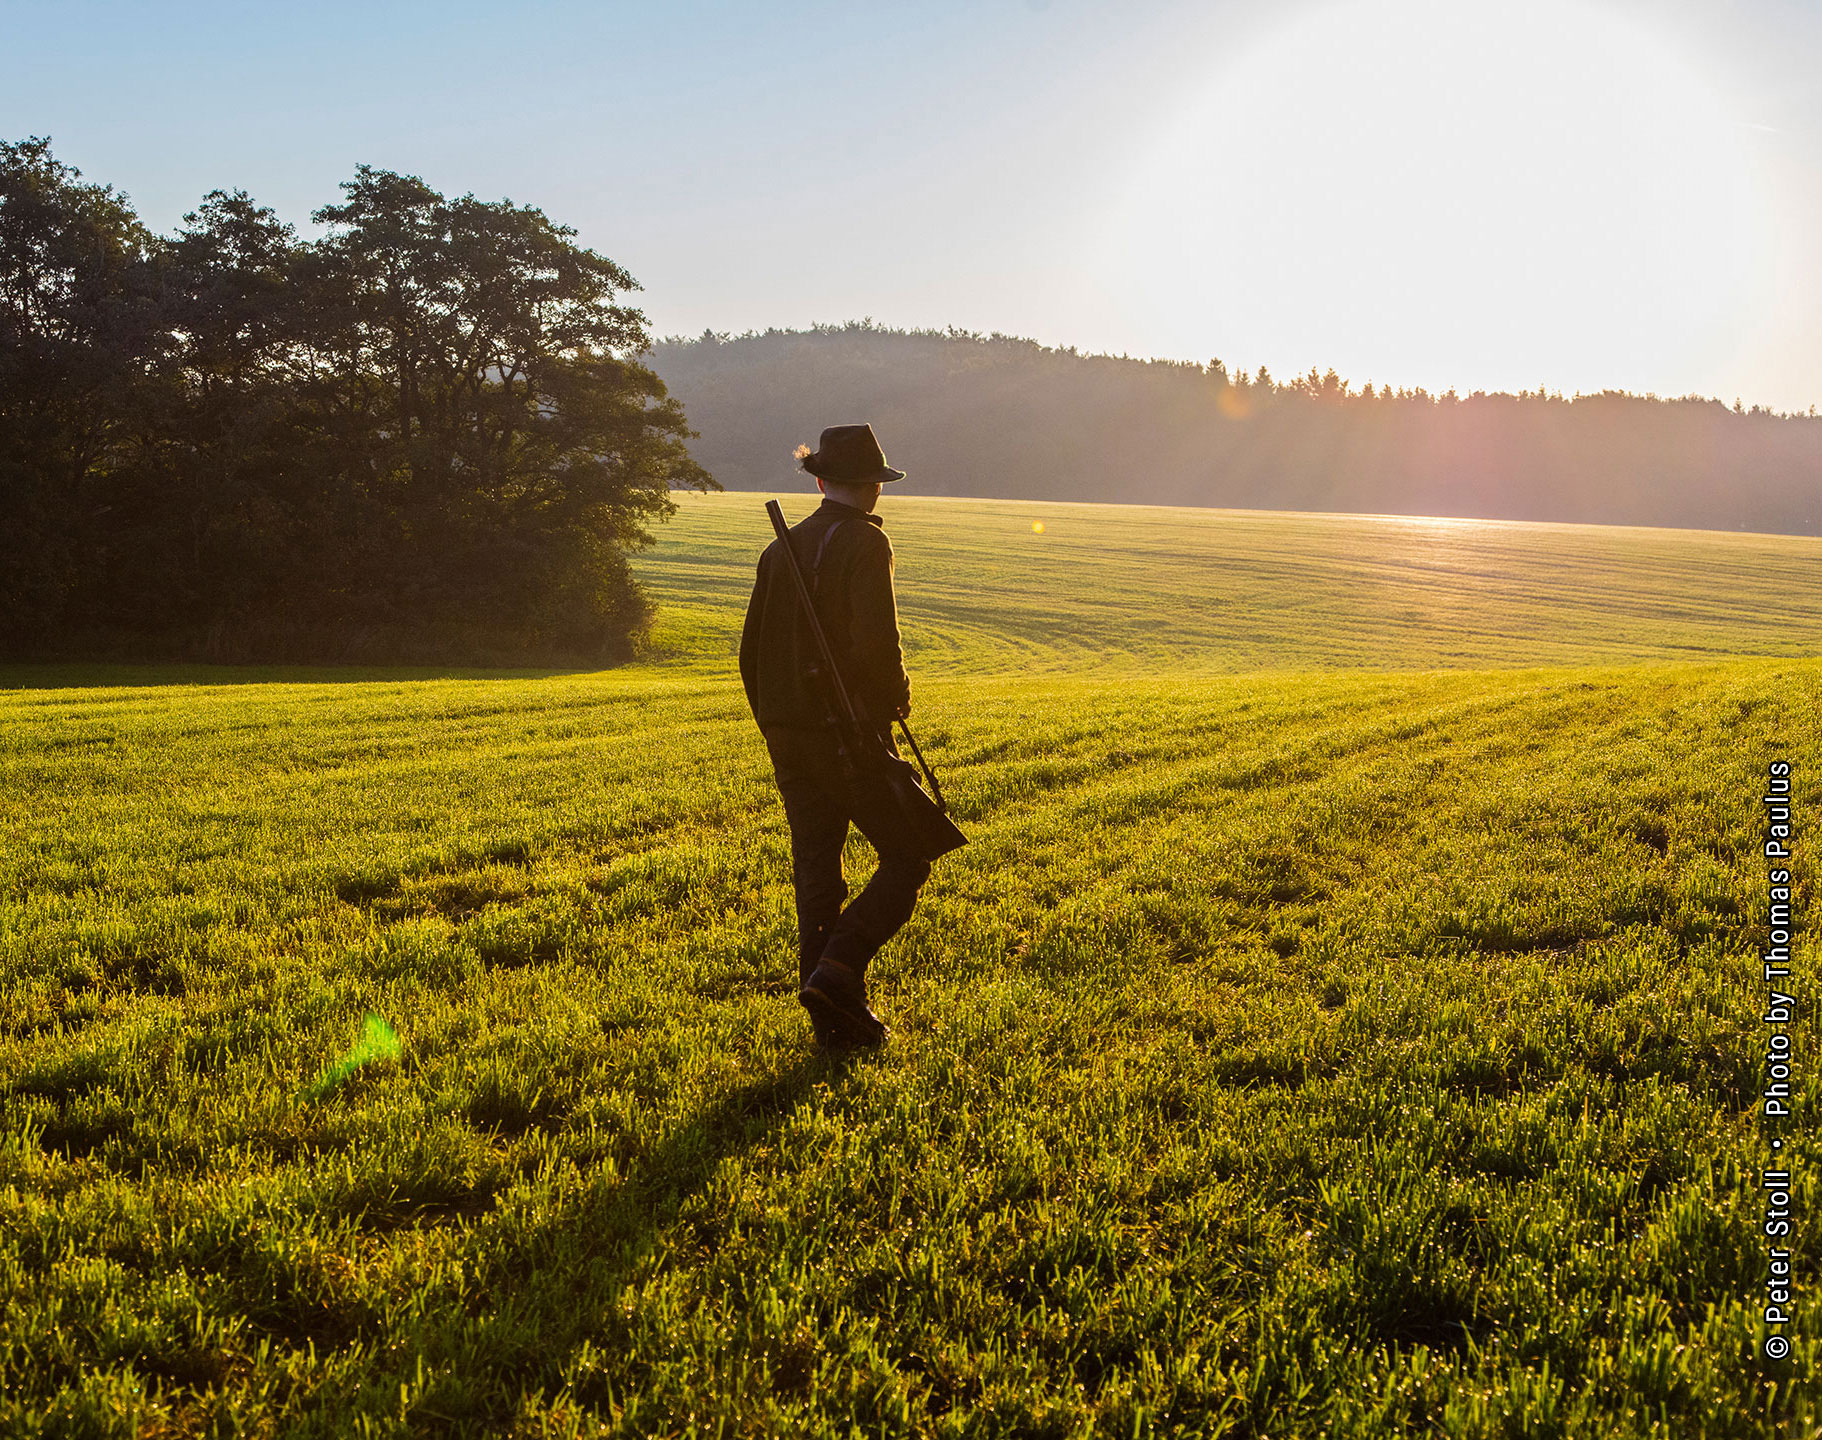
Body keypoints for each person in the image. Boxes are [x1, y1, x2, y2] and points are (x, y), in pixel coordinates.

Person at [739, 423, 929, 1050]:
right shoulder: (865, 546)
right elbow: (878, 642)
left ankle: (831, 1013)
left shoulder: (781, 549)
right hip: (844, 732)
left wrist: (775, 721)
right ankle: (839, 970)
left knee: (817, 871)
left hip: (787, 733)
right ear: (874, 487)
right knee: (908, 856)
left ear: (820, 481)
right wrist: (892, 701)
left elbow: (750, 654)